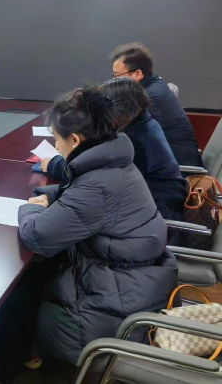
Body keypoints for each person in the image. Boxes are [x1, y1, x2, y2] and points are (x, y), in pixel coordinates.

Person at [18, 86, 177, 366]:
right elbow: (82, 197)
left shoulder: (97, 185)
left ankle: (12, 359)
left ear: (75, 140)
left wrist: (31, 208)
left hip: (116, 301)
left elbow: (37, 235)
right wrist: (52, 196)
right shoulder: (113, 162)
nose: (56, 146)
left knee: (21, 292)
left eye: (56, 139)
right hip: (137, 278)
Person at [41, 78, 187, 221]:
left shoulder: (135, 140)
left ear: (120, 110)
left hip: (160, 212)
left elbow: (97, 174)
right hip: (161, 201)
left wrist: (56, 164)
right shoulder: (145, 124)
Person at [110, 42, 203, 167]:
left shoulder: (150, 98)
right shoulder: (152, 85)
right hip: (169, 161)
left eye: (117, 75)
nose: (113, 81)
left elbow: (137, 141)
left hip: (177, 169)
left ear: (138, 74)